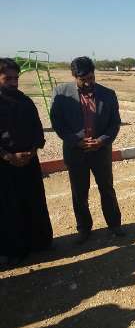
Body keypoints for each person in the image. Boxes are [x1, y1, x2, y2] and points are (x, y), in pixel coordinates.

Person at [50, 57, 123, 244]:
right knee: (79, 193)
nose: (89, 82)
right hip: (76, 152)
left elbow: (114, 123)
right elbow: (58, 123)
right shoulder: (60, 93)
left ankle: (114, 225)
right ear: (74, 76)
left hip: (101, 152)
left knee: (107, 189)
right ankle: (84, 229)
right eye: (84, 80)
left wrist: (101, 141)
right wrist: (76, 141)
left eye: (91, 77)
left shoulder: (108, 94)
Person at [0, 58, 53, 264]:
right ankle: (14, 250)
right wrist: (8, 156)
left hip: (29, 163)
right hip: (4, 166)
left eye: (16, 78)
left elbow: (37, 129)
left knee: (34, 203)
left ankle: (40, 243)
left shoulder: (25, 101)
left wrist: (31, 151)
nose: (13, 82)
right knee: (9, 208)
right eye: (8, 78)